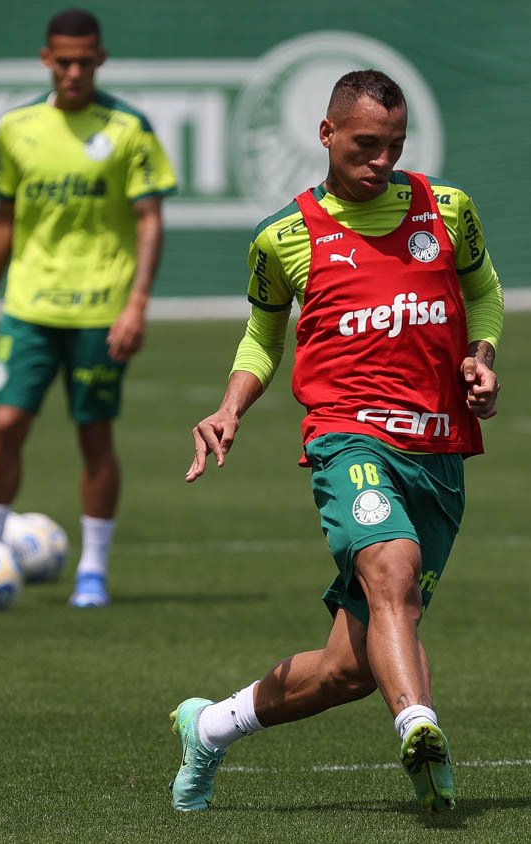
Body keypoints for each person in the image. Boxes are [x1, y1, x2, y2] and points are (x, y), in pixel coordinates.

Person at [171, 69, 503, 814]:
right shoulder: (283, 237)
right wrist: (229, 407)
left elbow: (483, 292)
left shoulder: (448, 210)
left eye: (395, 145)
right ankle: (419, 729)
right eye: (365, 144)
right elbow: (263, 337)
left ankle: (209, 727)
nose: (381, 160)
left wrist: (481, 358)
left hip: (439, 452)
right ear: (326, 134)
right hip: (347, 438)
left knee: (349, 669)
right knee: (393, 569)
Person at [0, 8, 176, 609]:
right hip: (29, 307)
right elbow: (4, 220)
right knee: (7, 425)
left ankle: (93, 570)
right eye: (64, 62)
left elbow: (149, 219)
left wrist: (137, 303)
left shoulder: (129, 128)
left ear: (100, 59)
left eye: (85, 61)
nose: (74, 71)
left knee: (94, 434)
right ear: (46, 60)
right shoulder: (16, 128)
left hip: (101, 312)